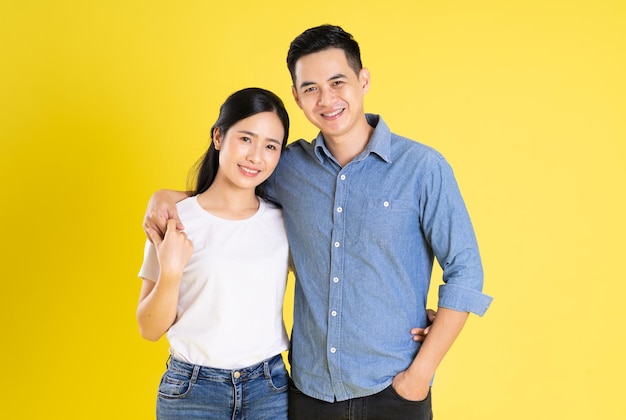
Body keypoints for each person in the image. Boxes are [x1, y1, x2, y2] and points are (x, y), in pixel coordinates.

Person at [145, 25, 492, 419]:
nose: (326, 99)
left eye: (337, 82)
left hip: (395, 389)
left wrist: (421, 373)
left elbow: (466, 271)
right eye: (310, 88)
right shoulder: (285, 166)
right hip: (307, 394)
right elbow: (232, 194)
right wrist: (168, 198)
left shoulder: (422, 168)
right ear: (297, 97)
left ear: (363, 80)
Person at [136, 87, 292, 420]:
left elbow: (337, 278)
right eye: (246, 139)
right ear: (218, 136)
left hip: (270, 390)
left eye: (270, 146)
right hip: (192, 390)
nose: (255, 156)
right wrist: (171, 272)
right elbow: (148, 329)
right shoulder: (174, 219)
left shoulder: (284, 222)